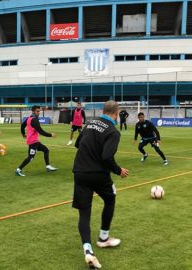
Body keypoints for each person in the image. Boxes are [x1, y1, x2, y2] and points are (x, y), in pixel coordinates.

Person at [72, 100, 129, 269]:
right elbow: (106, 157)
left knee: (84, 213)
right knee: (110, 199)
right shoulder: (113, 131)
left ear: (104, 110)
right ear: (117, 114)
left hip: (80, 172)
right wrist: (118, 170)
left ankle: (88, 250)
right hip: (98, 175)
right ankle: (103, 238)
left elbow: (77, 144)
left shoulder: (90, 124)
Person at [15, 105, 57, 177]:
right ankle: (18, 169)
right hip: (33, 142)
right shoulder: (34, 120)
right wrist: (51, 135)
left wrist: (23, 134)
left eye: (39, 111)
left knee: (46, 150)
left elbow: (22, 126)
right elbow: (41, 131)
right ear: (33, 111)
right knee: (31, 157)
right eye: (37, 111)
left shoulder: (29, 118)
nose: (39, 113)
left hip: (35, 141)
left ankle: (48, 166)